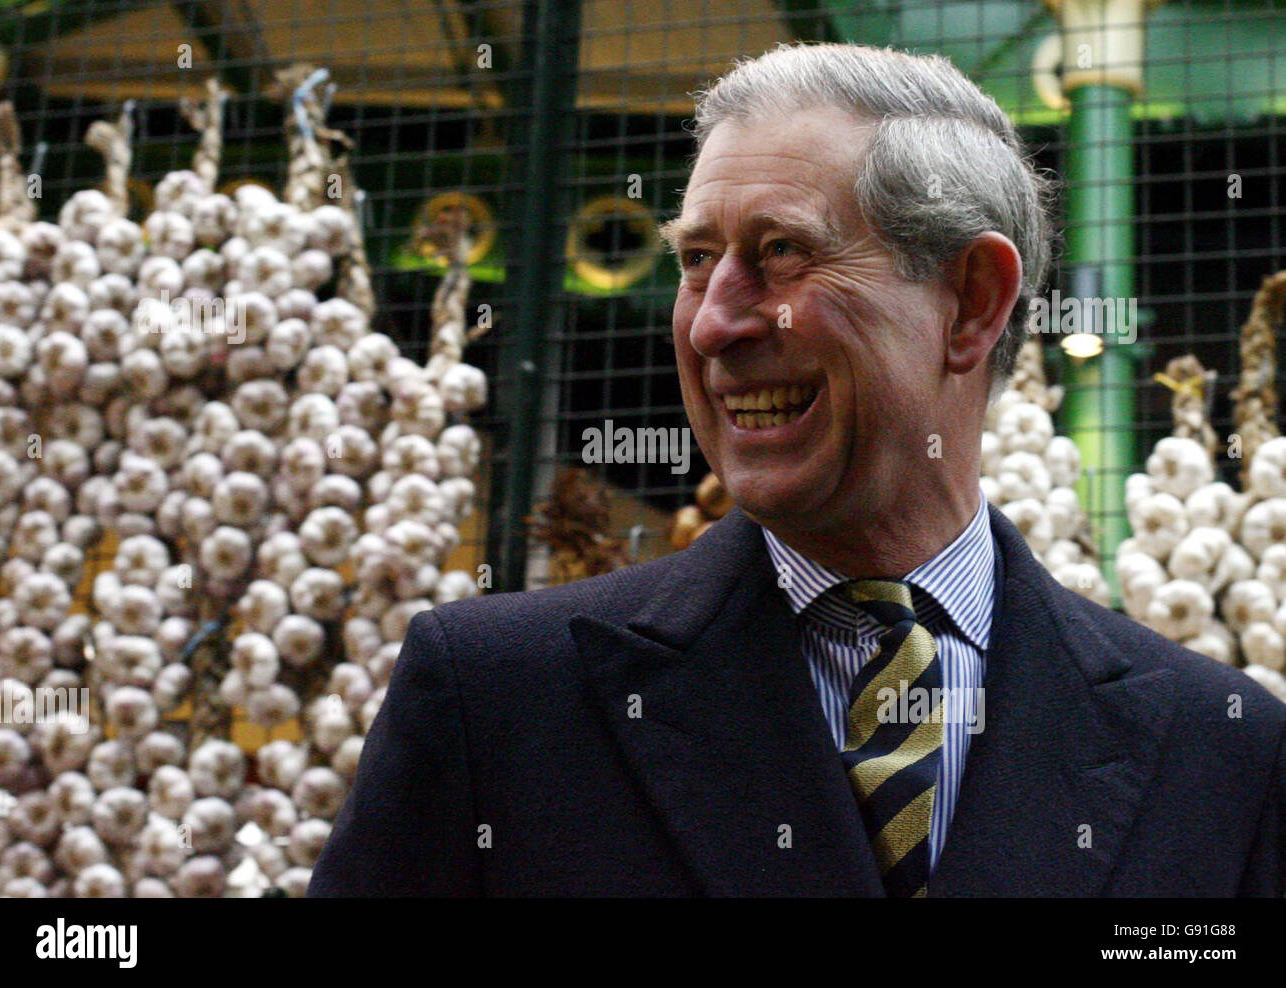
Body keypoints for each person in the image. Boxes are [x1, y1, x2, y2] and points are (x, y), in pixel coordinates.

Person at [309, 42, 1286, 897]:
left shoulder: (1221, 750)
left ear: (972, 302)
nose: (712, 321)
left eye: (780, 254)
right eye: (696, 260)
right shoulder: (497, 701)